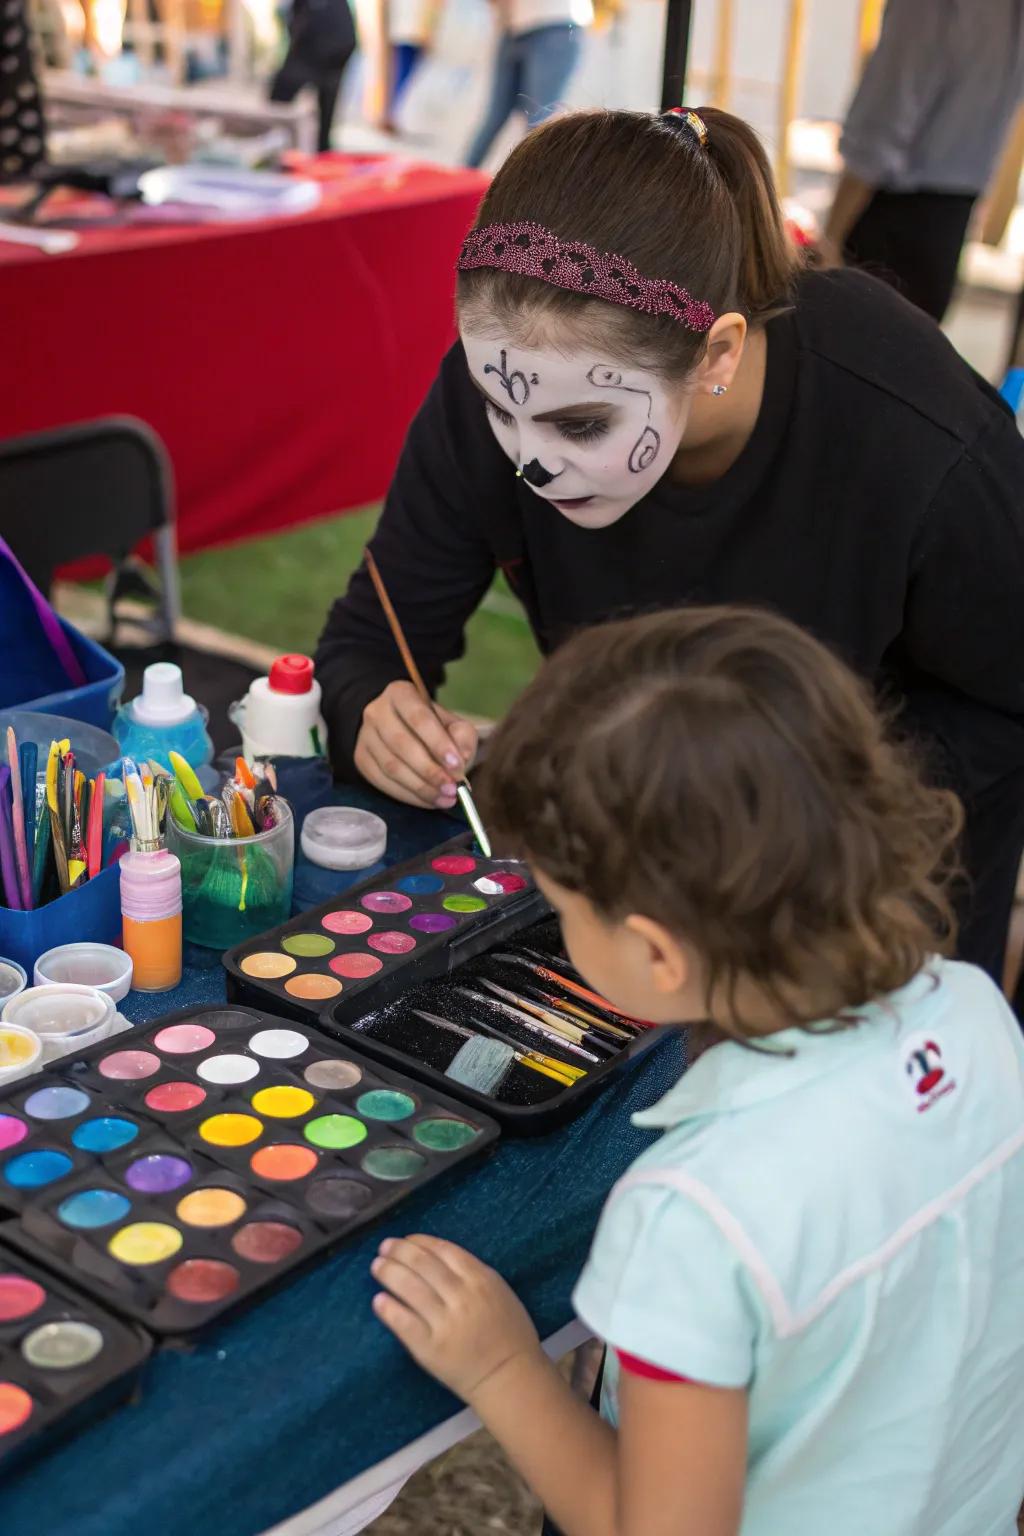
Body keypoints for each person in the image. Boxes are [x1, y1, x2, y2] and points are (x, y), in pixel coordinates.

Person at [314, 105, 1024, 987]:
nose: (529, 462)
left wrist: (785, 801)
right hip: (635, 910)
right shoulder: (515, 382)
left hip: (867, 919)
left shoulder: (911, 435)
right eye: (500, 408)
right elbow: (367, 644)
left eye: (581, 422)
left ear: (716, 351)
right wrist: (372, 711)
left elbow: (1006, 703)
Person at [369, 605, 1024, 1536]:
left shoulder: (694, 1217)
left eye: (562, 906)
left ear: (657, 954)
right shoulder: (974, 1011)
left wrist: (500, 1366)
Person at [822, 0, 1024, 321]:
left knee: (850, 349)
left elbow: (883, 119)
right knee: (907, 356)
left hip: (894, 218)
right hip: (949, 218)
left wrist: (830, 237)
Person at [463, 0, 592, 168]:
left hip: (556, 24)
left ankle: (529, 191)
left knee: (539, 121)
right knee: (494, 116)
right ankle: (456, 185)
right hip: (513, 27)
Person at [269, 0, 356, 154]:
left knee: (280, 97)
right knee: (324, 100)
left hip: (323, 43)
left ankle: (276, 143)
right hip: (335, 41)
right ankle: (320, 148)